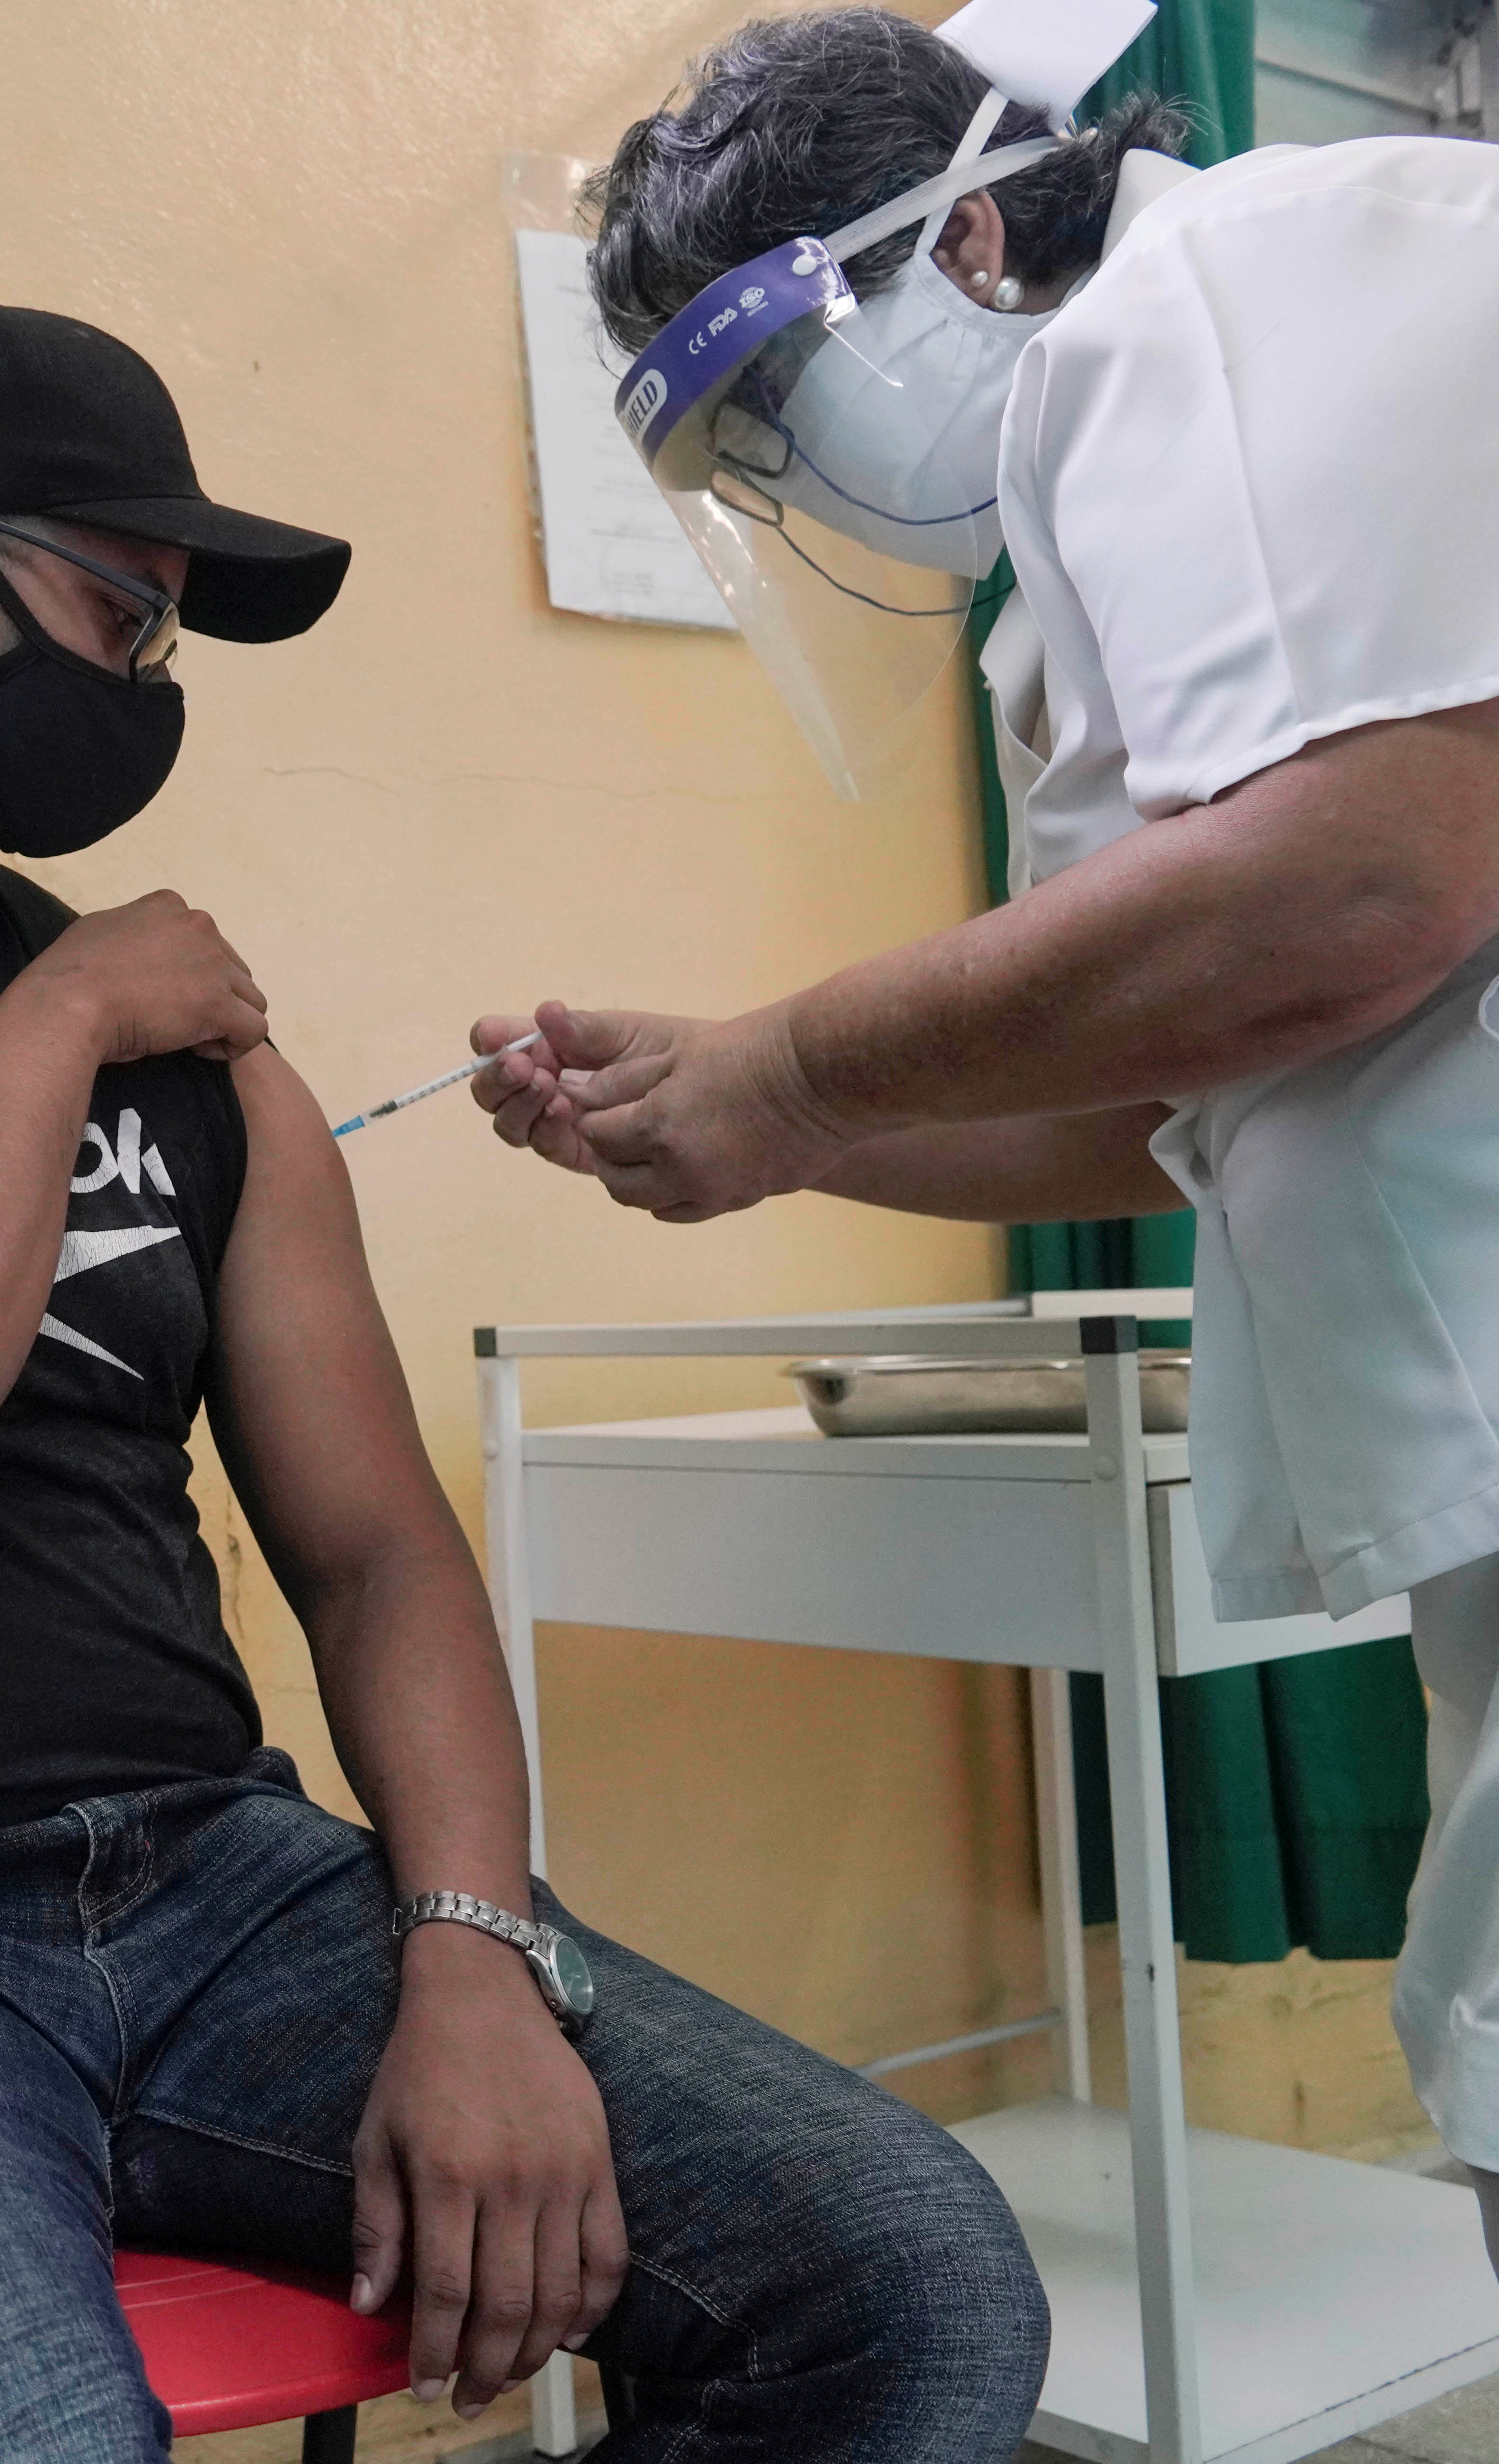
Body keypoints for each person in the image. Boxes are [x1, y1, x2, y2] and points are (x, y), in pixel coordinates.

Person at [0, 300, 1046, 2463]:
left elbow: (373, 1558)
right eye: (120, 615)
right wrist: (62, 1014)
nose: (146, 690)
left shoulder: (205, 1071)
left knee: (906, 2286)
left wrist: (470, 1950)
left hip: (218, 1893)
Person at [471, 7, 1499, 2267]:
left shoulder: (1231, 285)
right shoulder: (1100, 529)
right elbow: (1165, 1085)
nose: (794, 483)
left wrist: (791, 1072)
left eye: (771, 406)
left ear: (953, 241)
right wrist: (732, 1111)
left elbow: (1358, 889)